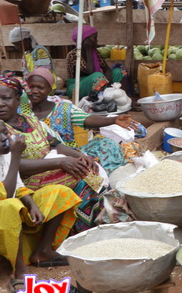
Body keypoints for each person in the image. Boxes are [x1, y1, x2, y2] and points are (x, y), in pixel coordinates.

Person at [0, 75, 105, 234]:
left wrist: (81, 156)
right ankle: (79, 230)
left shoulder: (29, 120)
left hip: (45, 170)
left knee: (88, 169)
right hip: (22, 183)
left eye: (6, 98)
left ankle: (87, 226)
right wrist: (60, 163)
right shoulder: (2, 130)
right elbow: (13, 165)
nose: (0, 104)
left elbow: (55, 145)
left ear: (17, 98)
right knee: (82, 176)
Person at [0, 121, 81, 293]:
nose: (4, 139)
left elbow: (18, 186)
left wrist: (32, 204)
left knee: (60, 192)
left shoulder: (5, 154)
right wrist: (15, 156)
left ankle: (43, 251)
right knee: (10, 205)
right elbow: (5, 193)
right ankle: (19, 269)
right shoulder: (11, 155)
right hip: (5, 211)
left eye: (5, 133)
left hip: (11, 208)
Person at [22, 68, 139, 172]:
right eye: (31, 87)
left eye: (40, 87)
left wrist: (114, 120)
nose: (35, 91)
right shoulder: (21, 112)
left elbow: (87, 119)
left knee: (106, 145)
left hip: (69, 156)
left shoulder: (63, 108)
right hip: (36, 161)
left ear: (49, 89)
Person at [65, 26, 124, 99]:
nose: (97, 41)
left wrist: (109, 82)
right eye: (95, 38)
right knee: (98, 76)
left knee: (118, 72)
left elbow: (107, 69)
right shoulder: (73, 55)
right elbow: (90, 71)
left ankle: (118, 96)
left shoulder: (95, 53)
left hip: (94, 80)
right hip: (76, 86)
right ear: (85, 40)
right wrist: (88, 49)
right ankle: (100, 99)